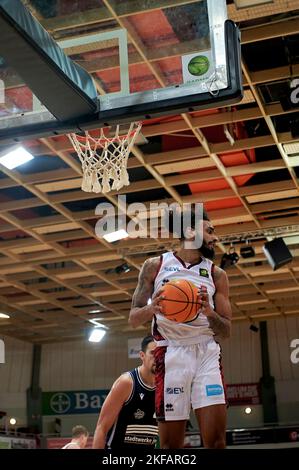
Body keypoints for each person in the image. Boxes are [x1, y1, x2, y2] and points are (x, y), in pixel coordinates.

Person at [129, 208, 232, 449]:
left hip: (206, 352)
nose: (214, 237)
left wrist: (209, 312)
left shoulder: (217, 275)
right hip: (171, 353)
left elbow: (226, 331)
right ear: (189, 231)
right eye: (209, 230)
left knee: (217, 443)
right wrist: (152, 308)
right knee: (170, 447)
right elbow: (133, 318)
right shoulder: (155, 266)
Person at [92, 335, 158, 449]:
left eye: (161, 353)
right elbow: (102, 427)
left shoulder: (164, 386)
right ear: (142, 355)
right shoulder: (127, 382)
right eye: (153, 353)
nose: (157, 357)